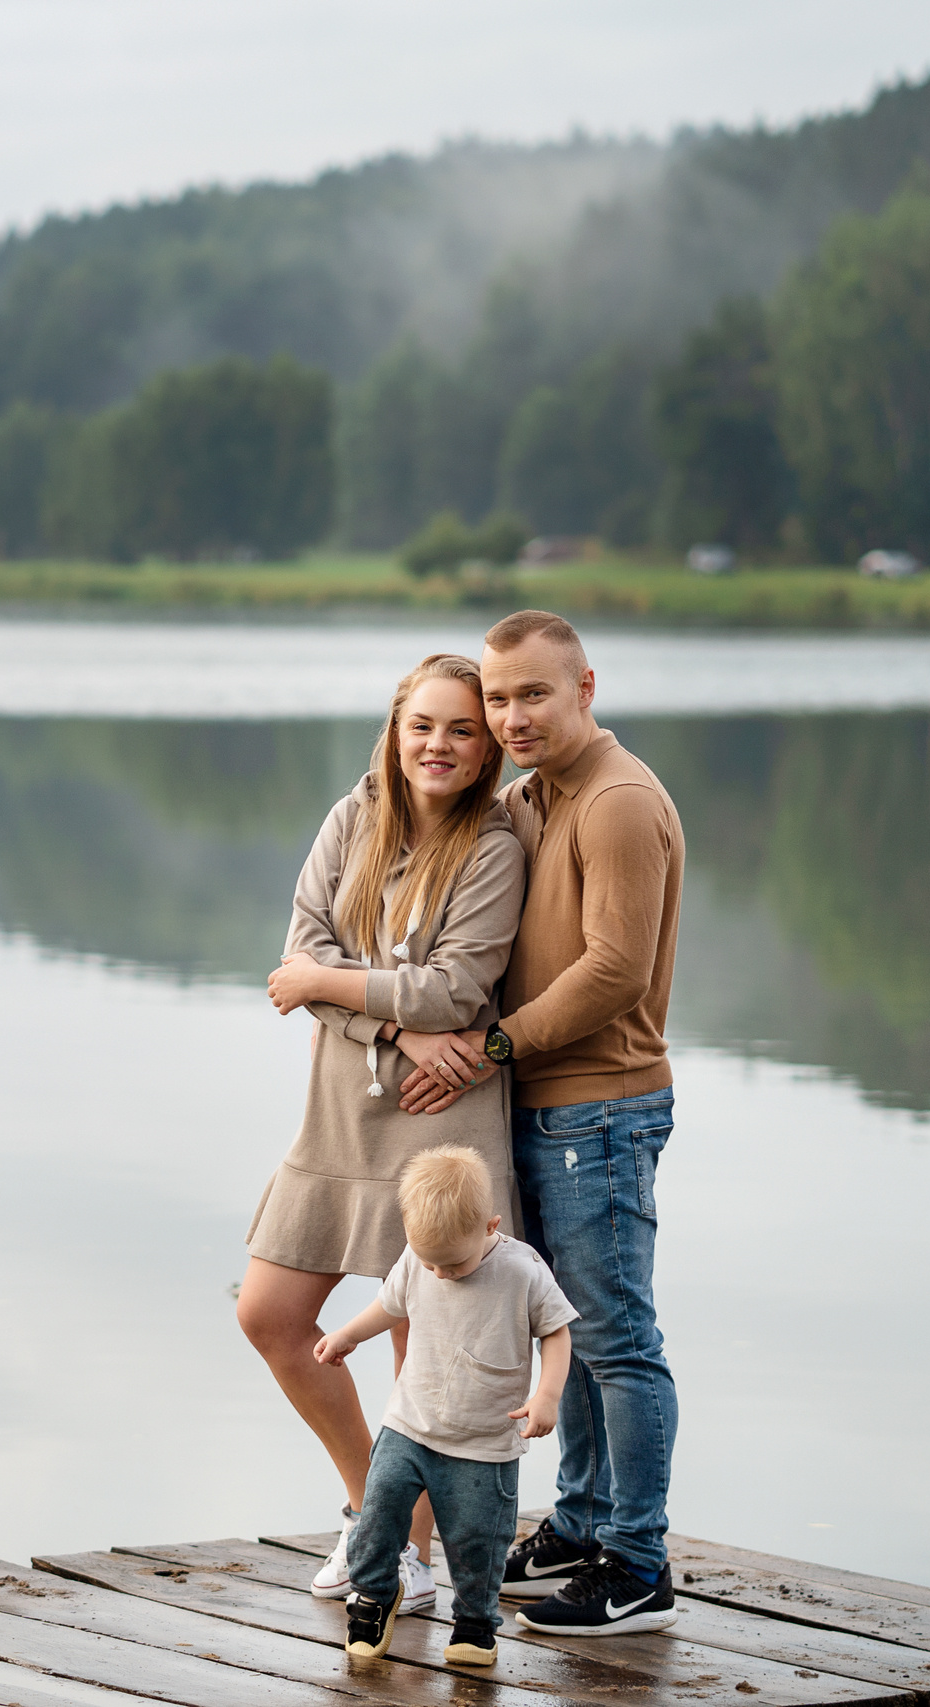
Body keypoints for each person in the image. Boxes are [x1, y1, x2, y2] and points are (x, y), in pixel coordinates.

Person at [397, 609, 687, 1638]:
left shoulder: (613, 802)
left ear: (585, 689)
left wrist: (492, 1047)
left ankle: (639, 1563)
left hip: (600, 1107)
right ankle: (576, 1527)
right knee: (571, 1323)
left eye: (533, 694)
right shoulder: (532, 799)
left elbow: (611, 971)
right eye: (497, 696)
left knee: (615, 1339)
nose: (510, 715)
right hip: (547, 1110)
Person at [240, 652, 527, 1615]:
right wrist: (396, 1026)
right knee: (269, 1315)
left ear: (485, 747)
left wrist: (336, 990)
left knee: (422, 1353)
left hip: (440, 1128)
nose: (439, 744)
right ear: (395, 729)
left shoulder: (494, 844)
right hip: (340, 1118)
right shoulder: (355, 813)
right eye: (423, 725)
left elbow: (455, 986)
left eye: (461, 729)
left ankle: (404, 1554)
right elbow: (302, 955)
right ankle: (374, 1507)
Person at [315, 1145, 573, 1666]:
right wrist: (348, 1335)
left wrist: (547, 1395)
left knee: (478, 1539)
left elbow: (557, 1332)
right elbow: (388, 1305)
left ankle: (475, 1624)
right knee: (379, 1515)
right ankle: (374, 1594)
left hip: (484, 1443)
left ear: (490, 1226)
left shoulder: (522, 1271)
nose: (439, 1273)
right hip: (408, 1425)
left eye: (453, 1262)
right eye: (428, 1260)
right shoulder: (419, 1259)